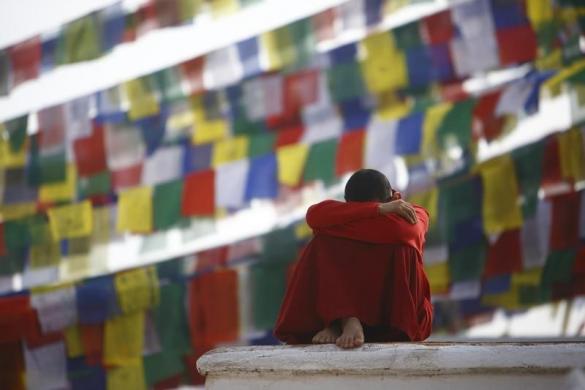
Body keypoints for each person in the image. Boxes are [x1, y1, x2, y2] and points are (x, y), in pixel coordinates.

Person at [274, 169, 433, 348]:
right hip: (361, 313)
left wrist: (358, 215)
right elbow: (313, 215)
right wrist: (378, 209)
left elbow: (402, 232)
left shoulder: (415, 213)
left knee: (324, 240)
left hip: (396, 321)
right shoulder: (369, 213)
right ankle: (340, 321)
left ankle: (342, 322)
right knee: (323, 243)